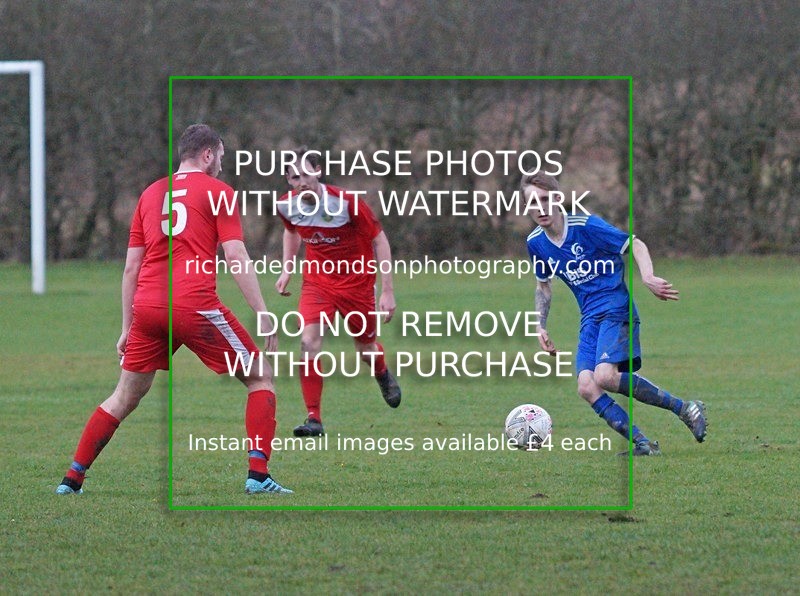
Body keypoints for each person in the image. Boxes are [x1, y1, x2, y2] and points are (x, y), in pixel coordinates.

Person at [56, 124, 292, 495]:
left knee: (124, 396)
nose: (221, 166)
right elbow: (235, 254)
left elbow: (132, 267)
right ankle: (259, 476)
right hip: (194, 305)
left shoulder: (150, 193)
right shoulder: (219, 192)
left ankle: (72, 479)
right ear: (208, 154)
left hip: (148, 308)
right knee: (260, 376)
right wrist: (262, 311)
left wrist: (127, 326)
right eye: (221, 158)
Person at [522, 172, 707, 455]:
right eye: (533, 202)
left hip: (615, 308)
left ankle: (684, 408)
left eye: (546, 199)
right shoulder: (536, 243)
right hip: (590, 317)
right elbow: (543, 286)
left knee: (606, 376)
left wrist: (647, 276)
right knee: (586, 386)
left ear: (558, 199)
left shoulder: (586, 226)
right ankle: (643, 444)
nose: (541, 208)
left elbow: (634, 243)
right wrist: (540, 325)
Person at [275, 147, 401, 437]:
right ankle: (313, 418)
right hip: (318, 284)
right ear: (288, 180)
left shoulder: (346, 203)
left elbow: (379, 240)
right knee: (308, 342)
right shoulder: (286, 205)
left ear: (318, 171)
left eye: (307, 174)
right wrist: (287, 268)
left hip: (358, 285)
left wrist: (387, 291)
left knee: (366, 350)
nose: (302, 181)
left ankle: (381, 370)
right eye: (295, 177)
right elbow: (291, 231)